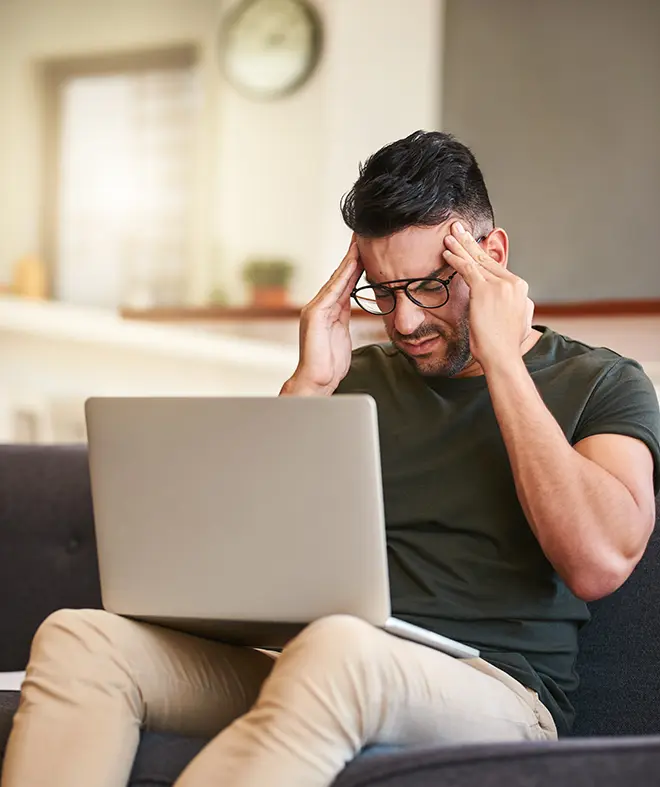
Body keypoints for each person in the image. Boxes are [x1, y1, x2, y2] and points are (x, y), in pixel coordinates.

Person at [2, 131, 659, 787]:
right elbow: (247, 545)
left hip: (495, 691)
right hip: (315, 659)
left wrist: (503, 364)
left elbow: (599, 560)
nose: (403, 322)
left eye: (430, 285)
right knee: (80, 639)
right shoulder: (354, 374)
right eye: (382, 290)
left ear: (493, 256)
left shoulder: (602, 382)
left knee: (338, 647)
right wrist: (309, 385)